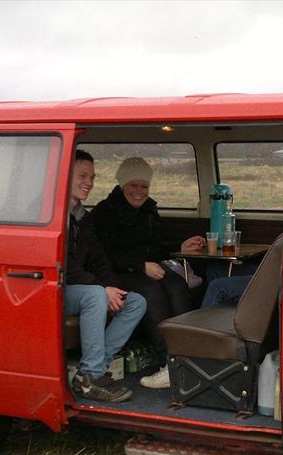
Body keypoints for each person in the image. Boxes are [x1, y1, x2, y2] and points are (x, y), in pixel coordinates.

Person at [91, 157, 204, 389]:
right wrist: (141, 266)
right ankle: (168, 363)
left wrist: (178, 249)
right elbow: (103, 255)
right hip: (114, 273)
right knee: (152, 291)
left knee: (177, 285)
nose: (139, 192)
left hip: (146, 268)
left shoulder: (149, 210)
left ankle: (187, 355)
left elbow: (155, 247)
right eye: (133, 185)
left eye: (144, 186)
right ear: (122, 185)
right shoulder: (105, 212)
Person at [65, 150, 147, 402]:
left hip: (80, 288)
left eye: (92, 177)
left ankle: (96, 368)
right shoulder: (54, 215)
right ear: (64, 176)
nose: (88, 183)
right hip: (55, 289)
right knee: (94, 295)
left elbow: (98, 258)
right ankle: (90, 377)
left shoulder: (83, 217)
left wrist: (112, 287)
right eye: (82, 176)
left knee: (135, 302)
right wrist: (101, 289)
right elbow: (64, 266)